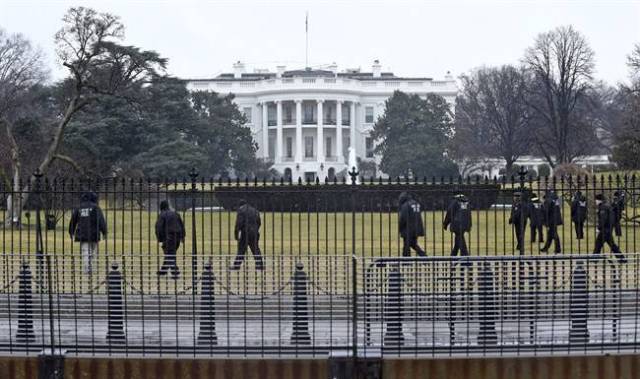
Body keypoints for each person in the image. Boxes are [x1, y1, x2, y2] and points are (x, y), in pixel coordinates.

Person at [69, 191, 107, 275]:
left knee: (85, 251)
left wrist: (71, 232)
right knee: (93, 252)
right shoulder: (96, 207)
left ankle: (87, 269)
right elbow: (101, 221)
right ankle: (92, 267)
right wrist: (104, 232)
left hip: (82, 233)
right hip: (94, 233)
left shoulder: (79, 207)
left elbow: (73, 220)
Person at [230, 199, 264, 270]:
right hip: (254, 233)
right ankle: (259, 265)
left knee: (241, 250)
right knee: (255, 249)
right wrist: (255, 230)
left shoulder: (241, 211)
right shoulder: (255, 210)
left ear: (240, 206)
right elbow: (259, 222)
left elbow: (238, 224)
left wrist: (236, 235)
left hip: (245, 233)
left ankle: (236, 266)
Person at [155, 200, 185, 279]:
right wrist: (182, 237)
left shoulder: (162, 215)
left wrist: (160, 239)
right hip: (177, 236)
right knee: (170, 253)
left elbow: (159, 228)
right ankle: (163, 270)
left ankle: (175, 271)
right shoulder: (176, 213)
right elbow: (181, 225)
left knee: (169, 254)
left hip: (168, 237)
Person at [593, 194, 627, 263]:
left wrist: (598, 228)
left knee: (598, 244)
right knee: (611, 245)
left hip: (604, 230)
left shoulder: (603, 207)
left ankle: (594, 259)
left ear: (599, 200)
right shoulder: (607, 206)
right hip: (608, 229)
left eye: (596, 200)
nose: (595, 201)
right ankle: (622, 258)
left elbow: (603, 219)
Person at [398, 192, 426, 257]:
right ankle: (423, 256)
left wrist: (400, 228)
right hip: (417, 228)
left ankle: (407, 261)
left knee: (407, 245)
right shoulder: (416, 203)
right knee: (412, 244)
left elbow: (403, 218)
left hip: (408, 229)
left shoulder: (405, 205)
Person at [541, 190, 562, 254]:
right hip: (555, 219)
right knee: (550, 235)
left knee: (554, 234)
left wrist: (545, 222)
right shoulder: (555, 200)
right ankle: (546, 248)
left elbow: (546, 212)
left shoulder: (548, 201)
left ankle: (557, 249)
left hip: (551, 220)